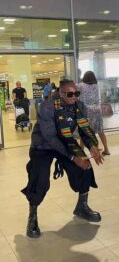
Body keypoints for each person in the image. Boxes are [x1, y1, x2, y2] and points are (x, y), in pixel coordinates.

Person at [21, 80, 103, 238]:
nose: (74, 97)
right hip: (43, 146)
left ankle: (82, 206)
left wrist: (92, 146)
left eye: (76, 93)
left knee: (84, 167)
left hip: (66, 142)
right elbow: (50, 137)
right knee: (40, 179)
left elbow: (85, 130)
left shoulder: (80, 107)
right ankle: (32, 217)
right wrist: (73, 157)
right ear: (60, 93)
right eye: (70, 94)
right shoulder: (47, 107)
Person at [79, 71, 110, 156]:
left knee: (84, 131)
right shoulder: (96, 86)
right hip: (97, 110)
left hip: (86, 111)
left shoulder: (81, 85)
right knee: (100, 130)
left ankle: (81, 151)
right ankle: (106, 149)